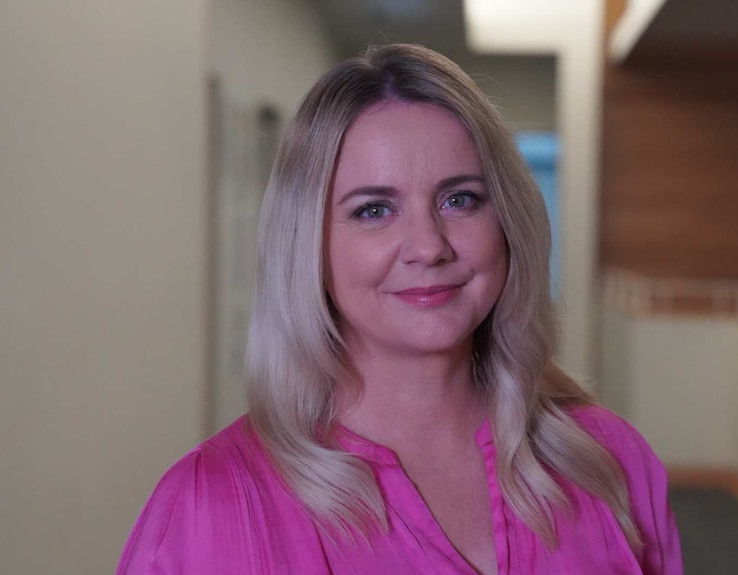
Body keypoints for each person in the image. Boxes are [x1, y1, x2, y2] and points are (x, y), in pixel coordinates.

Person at [116, 44, 682, 575]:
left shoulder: (611, 461)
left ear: (508, 221)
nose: (429, 246)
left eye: (460, 199)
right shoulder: (206, 506)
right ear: (308, 242)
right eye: (373, 210)